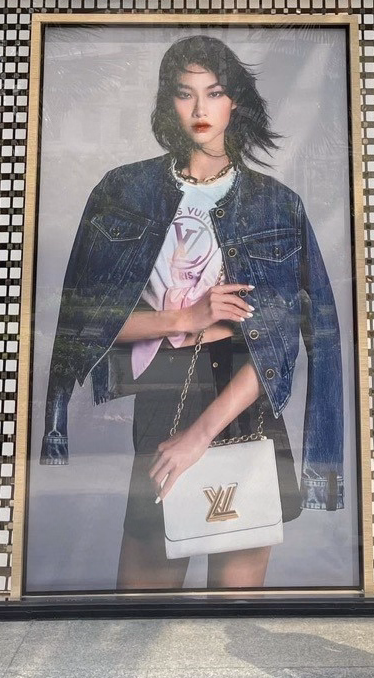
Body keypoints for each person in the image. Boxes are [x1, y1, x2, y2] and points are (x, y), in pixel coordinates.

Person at [40, 35, 344, 590]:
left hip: (244, 403)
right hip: (164, 395)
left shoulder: (276, 205)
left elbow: (285, 345)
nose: (201, 108)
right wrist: (183, 318)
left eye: (215, 93)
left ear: (234, 103)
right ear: (169, 103)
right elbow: (81, 326)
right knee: (142, 608)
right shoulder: (123, 191)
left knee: (234, 614)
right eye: (185, 94)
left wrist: (200, 434)